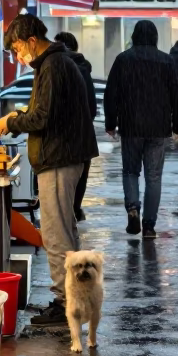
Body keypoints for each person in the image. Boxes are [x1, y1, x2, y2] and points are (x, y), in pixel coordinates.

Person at [0, 15, 98, 327]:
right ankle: (73, 299)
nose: (17, 56)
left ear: (32, 41)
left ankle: (66, 304)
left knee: (56, 234)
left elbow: (42, 117)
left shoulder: (52, 65)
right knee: (64, 230)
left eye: (16, 49)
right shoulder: (57, 63)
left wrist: (10, 120)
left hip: (59, 158)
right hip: (63, 156)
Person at [104, 19, 178, 240]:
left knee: (130, 171)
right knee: (153, 176)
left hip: (131, 126)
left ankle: (132, 209)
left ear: (134, 36)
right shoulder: (166, 61)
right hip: (158, 127)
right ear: (155, 37)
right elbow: (177, 96)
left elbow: (111, 94)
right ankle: (149, 226)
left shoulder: (123, 59)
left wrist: (111, 123)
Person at [53, 31, 97, 222]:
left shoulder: (54, 67)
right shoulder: (84, 69)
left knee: (61, 188)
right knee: (78, 180)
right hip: (83, 136)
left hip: (61, 138)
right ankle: (74, 212)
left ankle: (67, 222)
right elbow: (92, 107)